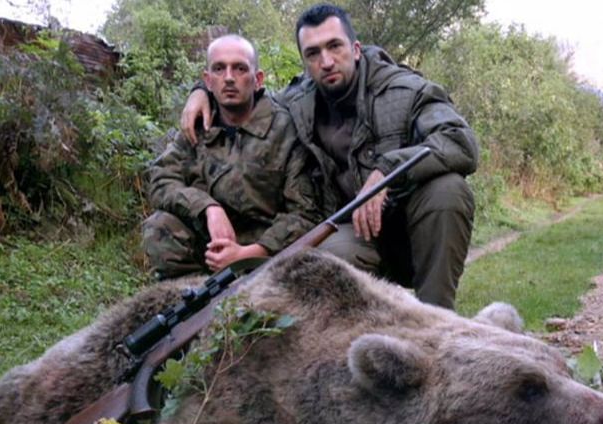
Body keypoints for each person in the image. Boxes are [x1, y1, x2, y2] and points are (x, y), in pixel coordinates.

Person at [181, 4, 479, 309]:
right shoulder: (295, 102)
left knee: (448, 189)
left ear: (356, 49)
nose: (326, 62)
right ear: (304, 62)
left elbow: (460, 141)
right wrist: (200, 91)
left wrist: (387, 171)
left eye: (335, 46)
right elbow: (243, 97)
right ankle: (367, 327)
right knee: (323, 255)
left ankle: (437, 317)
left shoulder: (404, 90)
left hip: (413, 233)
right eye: (313, 53)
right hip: (353, 235)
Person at [143, 34, 320, 277]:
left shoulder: (286, 129)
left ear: (257, 79)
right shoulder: (197, 127)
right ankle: (195, 292)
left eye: (240, 68)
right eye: (219, 69)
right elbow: (160, 180)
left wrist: (250, 254)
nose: (228, 78)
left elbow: (305, 213)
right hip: (209, 244)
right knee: (160, 226)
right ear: (208, 81)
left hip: (265, 250)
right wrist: (207, 207)